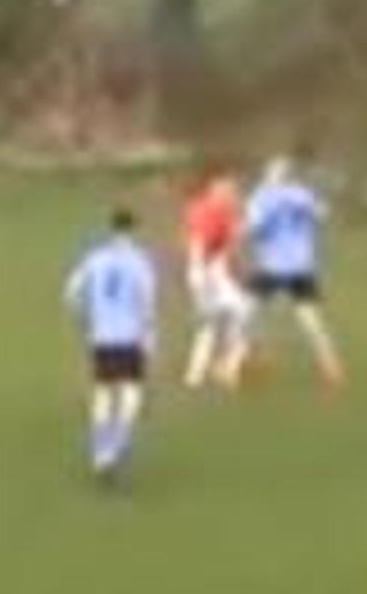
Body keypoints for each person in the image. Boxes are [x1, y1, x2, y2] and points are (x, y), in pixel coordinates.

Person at [234, 154, 346, 390]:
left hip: (272, 266)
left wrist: (237, 231)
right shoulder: (301, 194)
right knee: (310, 319)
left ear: (269, 175)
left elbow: (253, 227)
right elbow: (322, 214)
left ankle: (239, 360)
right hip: (302, 266)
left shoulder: (262, 196)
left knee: (245, 311)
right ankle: (330, 363)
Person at [64, 208, 160, 485]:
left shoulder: (94, 258)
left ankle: (99, 451)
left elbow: (70, 292)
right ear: (134, 231)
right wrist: (150, 335)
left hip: (101, 337)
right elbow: (147, 301)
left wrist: (86, 318)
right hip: (129, 336)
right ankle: (118, 445)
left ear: (112, 230)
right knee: (131, 392)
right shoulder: (139, 262)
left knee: (103, 392)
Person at [177, 167, 248, 391]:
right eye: (227, 189)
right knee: (231, 316)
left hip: (213, 271)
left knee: (220, 320)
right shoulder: (206, 211)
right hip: (207, 272)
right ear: (214, 190)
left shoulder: (222, 212)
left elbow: (230, 247)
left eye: (233, 190)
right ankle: (223, 369)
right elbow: (197, 245)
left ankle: (203, 373)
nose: (232, 194)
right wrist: (200, 277)